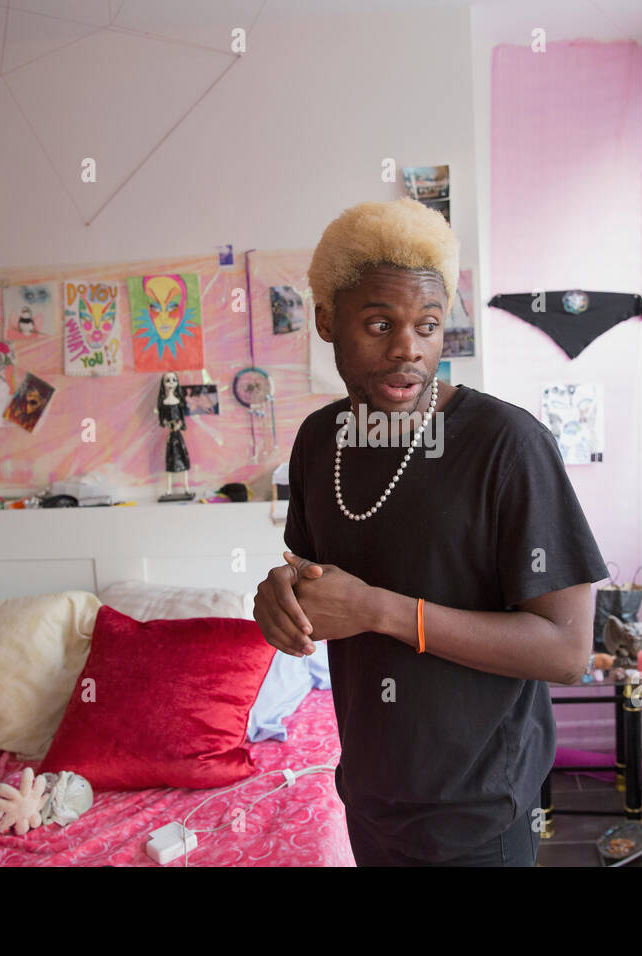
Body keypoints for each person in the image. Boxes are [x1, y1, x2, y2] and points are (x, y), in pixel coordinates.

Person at [254, 197, 608, 866]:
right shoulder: (318, 441)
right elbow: (310, 583)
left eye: (428, 324)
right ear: (327, 321)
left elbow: (566, 648)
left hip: (479, 810)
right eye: (379, 322)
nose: (407, 348)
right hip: (368, 792)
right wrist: (277, 598)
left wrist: (379, 610)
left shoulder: (507, 445)